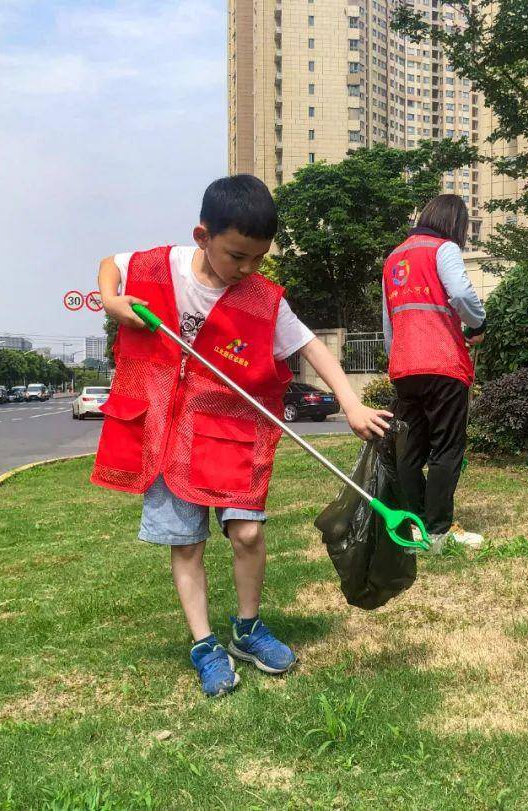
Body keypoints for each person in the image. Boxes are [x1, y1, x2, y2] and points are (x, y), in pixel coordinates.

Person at [94, 175, 392, 697]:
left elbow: (309, 347)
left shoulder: (261, 298)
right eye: (237, 256)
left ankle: (248, 628)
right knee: (186, 543)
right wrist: (111, 301)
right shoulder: (160, 266)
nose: (247, 269)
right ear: (202, 235)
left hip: (231, 432)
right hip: (166, 429)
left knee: (248, 533)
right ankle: (205, 643)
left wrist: (349, 401)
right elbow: (112, 265)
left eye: (258, 258)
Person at [382, 194, 486, 553]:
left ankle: (415, 529)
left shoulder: (393, 258)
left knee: (410, 451)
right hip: (443, 363)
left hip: (404, 367)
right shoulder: (443, 249)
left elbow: (388, 323)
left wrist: (394, 360)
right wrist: (478, 324)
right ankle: (439, 531)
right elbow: (461, 293)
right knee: (446, 447)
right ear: (454, 223)